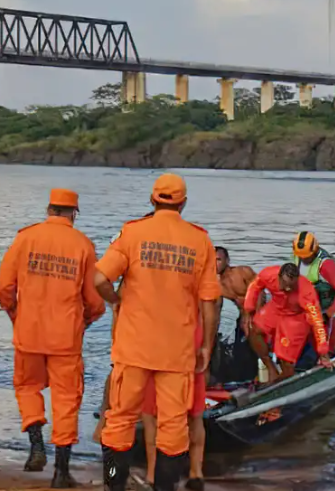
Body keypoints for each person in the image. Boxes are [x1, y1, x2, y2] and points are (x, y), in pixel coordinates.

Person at [95, 173, 221, 491]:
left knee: (120, 420)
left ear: (152, 200)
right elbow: (210, 300)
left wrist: (116, 301)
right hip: (177, 352)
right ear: (183, 203)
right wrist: (205, 346)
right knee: (173, 426)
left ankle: (114, 485)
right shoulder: (200, 240)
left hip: (133, 347)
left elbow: (98, 280)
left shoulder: (132, 232)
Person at [0, 188, 105, 488]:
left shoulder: (25, 238)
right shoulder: (83, 245)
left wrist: (17, 316)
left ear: (48, 209)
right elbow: (94, 302)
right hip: (65, 339)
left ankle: (36, 445)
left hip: (28, 333)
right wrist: (85, 321)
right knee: (66, 400)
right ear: (74, 213)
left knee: (27, 387)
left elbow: (4, 288)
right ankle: (61, 472)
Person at [139, 304, 211, 491]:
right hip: (189, 345)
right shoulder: (196, 277)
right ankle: (196, 473)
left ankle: (153, 475)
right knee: (194, 415)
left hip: (155, 349)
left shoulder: (149, 278)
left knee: (151, 417)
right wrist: (206, 346)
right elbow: (208, 308)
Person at [243, 263, 334, 382]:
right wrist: (248, 310)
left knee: (286, 361)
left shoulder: (306, 292)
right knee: (254, 328)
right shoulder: (268, 274)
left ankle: (279, 382)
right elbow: (254, 286)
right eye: (285, 284)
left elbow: (317, 322)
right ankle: (271, 368)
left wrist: (323, 352)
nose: (288, 289)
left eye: (292, 286)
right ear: (279, 277)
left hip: (295, 316)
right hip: (276, 307)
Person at [215, 247, 256, 333]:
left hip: (258, 312)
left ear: (227, 260)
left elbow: (260, 292)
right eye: (212, 260)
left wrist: (252, 316)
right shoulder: (216, 284)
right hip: (242, 317)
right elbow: (216, 309)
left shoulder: (243, 272)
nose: (215, 264)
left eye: (218, 260)